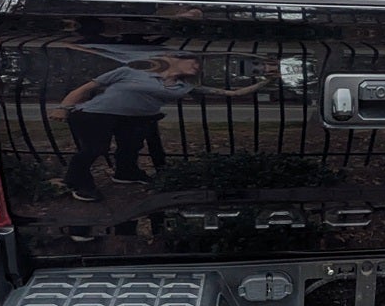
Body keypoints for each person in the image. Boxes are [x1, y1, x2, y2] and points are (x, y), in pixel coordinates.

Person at [50, 54, 274, 201]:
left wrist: (267, 81)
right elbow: (87, 87)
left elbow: (234, 93)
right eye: (193, 61)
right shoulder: (131, 71)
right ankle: (77, 182)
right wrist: (64, 107)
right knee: (95, 148)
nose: (196, 66)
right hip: (96, 114)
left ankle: (126, 173)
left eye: (198, 66)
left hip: (135, 119)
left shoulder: (183, 87)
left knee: (130, 146)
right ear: (174, 59)